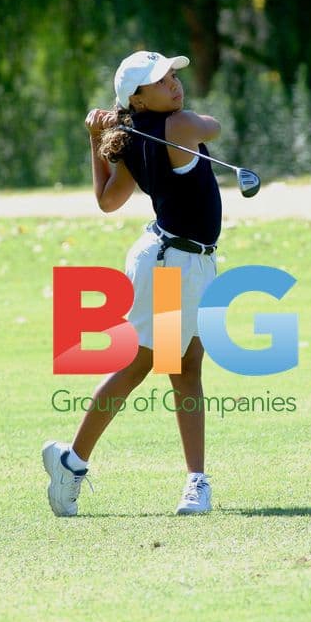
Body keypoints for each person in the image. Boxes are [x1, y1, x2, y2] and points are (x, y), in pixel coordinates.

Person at [43, 50, 222, 517]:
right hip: (171, 266)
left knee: (186, 369)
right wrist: (109, 136)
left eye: (173, 76)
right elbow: (214, 127)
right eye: (160, 81)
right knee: (142, 364)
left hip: (187, 262)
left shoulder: (131, 140)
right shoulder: (178, 125)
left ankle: (195, 481)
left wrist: (98, 139)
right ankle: (72, 461)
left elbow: (106, 199)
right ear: (138, 99)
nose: (174, 84)